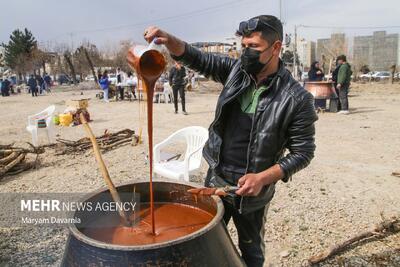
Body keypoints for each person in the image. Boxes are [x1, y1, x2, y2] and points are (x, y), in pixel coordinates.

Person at [141, 14, 317, 267]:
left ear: (276, 47)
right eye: (243, 46)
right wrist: (169, 40)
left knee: (252, 250)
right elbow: (197, 57)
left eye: (253, 47)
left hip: (253, 192)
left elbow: (304, 152)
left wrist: (262, 178)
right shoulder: (236, 71)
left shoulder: (296, 99)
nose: (246, 53)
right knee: (206, 242)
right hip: (217, 180)